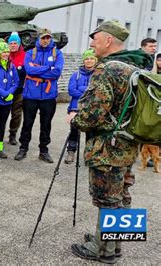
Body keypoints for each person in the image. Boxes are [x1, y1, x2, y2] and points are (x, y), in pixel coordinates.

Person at [70, 20, 152, 264]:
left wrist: (76, 119)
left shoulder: (108, 69)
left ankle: (102, 251)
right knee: (122, 194)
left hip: (108, 147)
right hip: (128, 143)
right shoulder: (133, 66)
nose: (93, 43)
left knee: (107, 197)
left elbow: (93, 114)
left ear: (108, 40)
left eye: (96, 38)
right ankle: (114, 243)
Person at [14, 28, 64, 163]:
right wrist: (48, 68)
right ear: (39, 39)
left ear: (51, 39)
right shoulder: (30, 53)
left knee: (46, 124)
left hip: (48, 96)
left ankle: (44, 150)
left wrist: (38, 70)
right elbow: (29, 70)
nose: (45, 40)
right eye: (43, 38)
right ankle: (23, 148)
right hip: (31, 95)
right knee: (27, 123)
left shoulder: (57, 54)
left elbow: (56, 72)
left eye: (48, 38)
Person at [64, 49, 97, 164]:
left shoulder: (98, 75)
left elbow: (98, 93)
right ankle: (71, 152)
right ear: (83, 60)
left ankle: (89, 155)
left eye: (91, 58)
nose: (89, 61)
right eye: (87, 58)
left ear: (95, 60)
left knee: (90, 133)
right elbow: (71, 90)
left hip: (91, 109)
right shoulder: (76, 75)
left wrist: (81, 90)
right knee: (74, 131)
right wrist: (87, 92)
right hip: (76, 107)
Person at [7, 32, 26, 145]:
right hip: (5, 91)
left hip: (19, 91)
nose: (13, 45)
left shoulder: (25, 56)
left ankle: (13, 134)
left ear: (19, 44)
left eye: (15, 43)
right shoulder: (5, 55)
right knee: (2, 114)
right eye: (11, 43)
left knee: (16, 114)